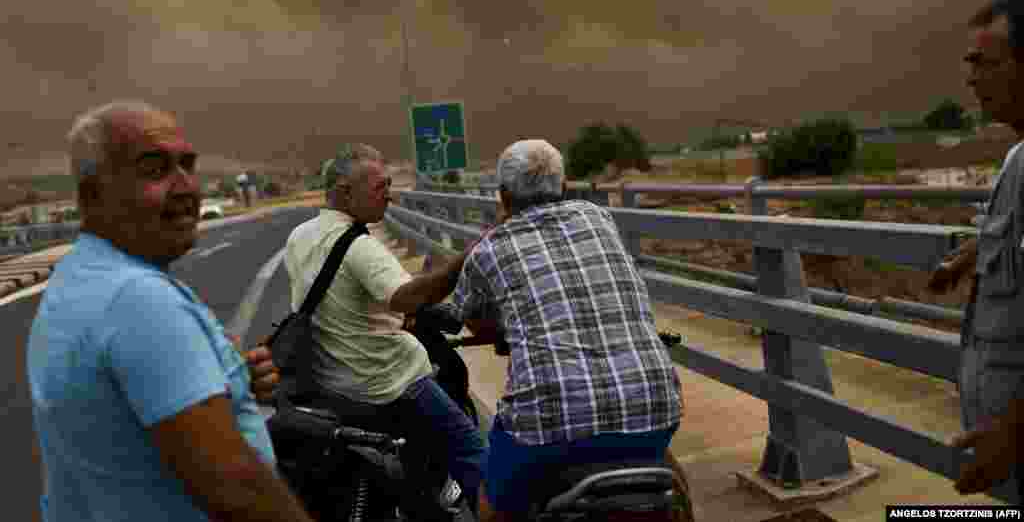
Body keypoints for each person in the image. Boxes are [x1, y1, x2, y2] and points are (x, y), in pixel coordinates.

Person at [26, 101, 307, 522]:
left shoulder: (78, 277)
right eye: (154, 169)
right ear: (92, 195)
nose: (186, 187)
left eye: (187, 166)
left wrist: (223, 382)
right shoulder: (138, 301)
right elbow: (237, 487)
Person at [451, 139, 683, 520]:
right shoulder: (598, 218)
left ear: (503, 197)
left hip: (549, 424)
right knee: (668, 483)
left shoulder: (489, 248)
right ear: (563, 186)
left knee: (492, 505)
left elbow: (471, 316)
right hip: (656, 405)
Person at [283, 144, 486, 517]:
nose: (389, 195)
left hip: (334, 382)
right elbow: (408, 297)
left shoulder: (299, 236)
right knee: (474, 451)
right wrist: (465, 258)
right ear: (345, 192)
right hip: (389, 381)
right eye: (380, 187)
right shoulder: (361, 247)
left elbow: (340, 300)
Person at [928, 0, 1024, 502]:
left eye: (985, 64)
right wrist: (966, 259)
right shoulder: (1017, 157)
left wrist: (1013, 432)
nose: (972, 79)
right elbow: (1005, 232)